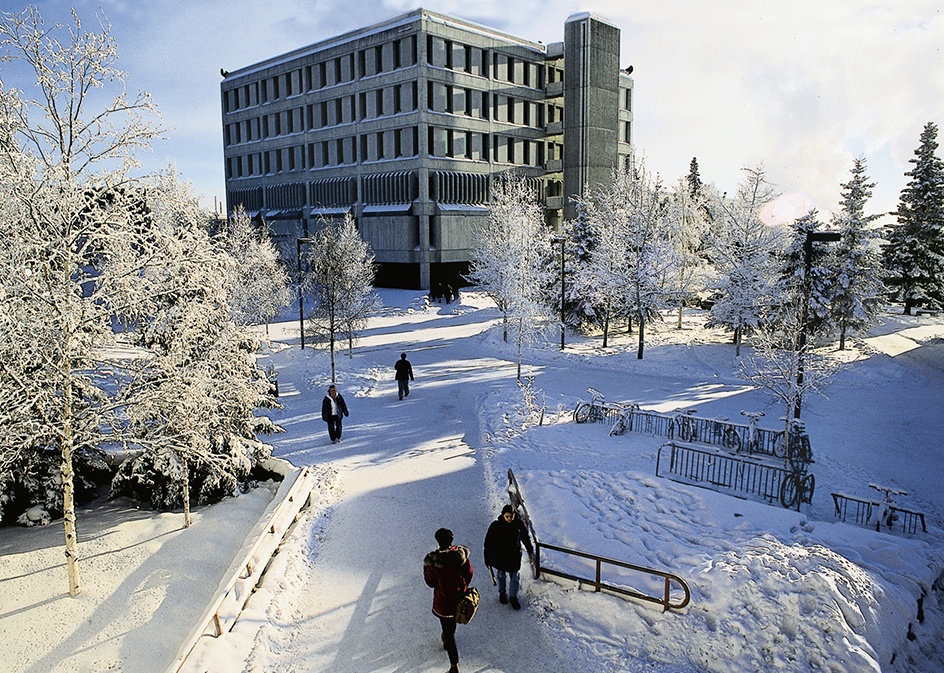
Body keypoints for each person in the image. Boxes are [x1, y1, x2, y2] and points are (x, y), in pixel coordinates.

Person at [423, 528, 472, 673]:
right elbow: (469, 574)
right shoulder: (460, 556)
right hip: (458, 598)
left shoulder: (432, 560)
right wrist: (462, 587)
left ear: (438, 542)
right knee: (452, 624)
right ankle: (448, 637)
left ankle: (454, 665)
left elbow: (430, 582)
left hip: (443, 601)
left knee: (448, 631)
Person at [483, 504, 533, 610]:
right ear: (502, 515)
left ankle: (513, 597)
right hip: (500, 556)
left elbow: (525, 537)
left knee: (514, 577)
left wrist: (529, 549)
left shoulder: (518, 525)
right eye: (507, 517)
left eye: (511, 516)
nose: (509, 519)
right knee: (501, 575)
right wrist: (487, 557)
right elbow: (488, 543)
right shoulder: (496, 526)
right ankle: (502, 593)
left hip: (514, 556)